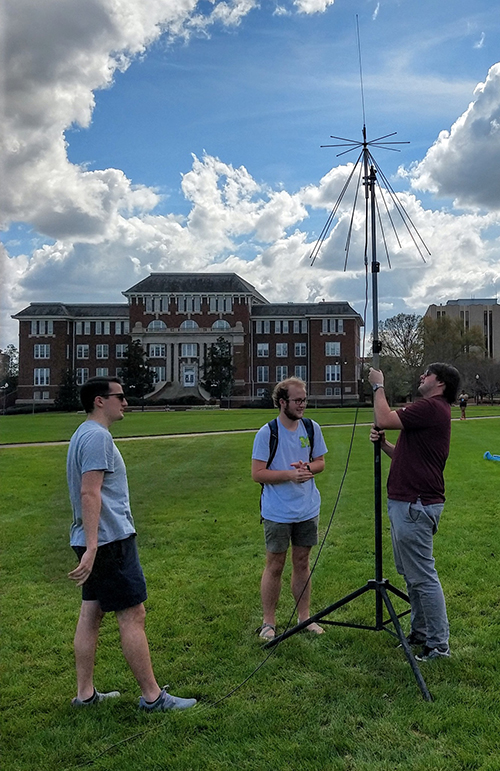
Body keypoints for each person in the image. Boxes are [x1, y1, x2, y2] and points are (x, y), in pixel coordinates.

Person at [67, 376, 196, 711]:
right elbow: (89, 491)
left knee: (92, 611)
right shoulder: (97, 437)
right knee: (133, 614)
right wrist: (95, 546)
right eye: (119, 396)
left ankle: (85, 695)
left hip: (95, 540)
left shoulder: (83, 433)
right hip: (109, 542)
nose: (125, 402)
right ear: (99, 400)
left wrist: (89, 544)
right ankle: (153, 697)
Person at [368, 362, 460, 661]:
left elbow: (383, 417)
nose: (422, 376)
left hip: (415, 504)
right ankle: (420, 633)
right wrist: (384, 445)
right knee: (411, 575)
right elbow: (408, 456)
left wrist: (378, 384)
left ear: (440, 383)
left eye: (427, 374)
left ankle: (438, 646)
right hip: (408, 503)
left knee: (422, 576)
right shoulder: (430, 410)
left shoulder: (432, 407)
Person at [251, 377, 328, 641]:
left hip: (307, 508)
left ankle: (304, 618)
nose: (302, 405)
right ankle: (268, 623)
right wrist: (288, 475)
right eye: (297, 400)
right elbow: (257, 473)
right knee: (275, 565)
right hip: (277, 511)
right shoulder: (267, 433)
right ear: (282, 402)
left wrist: (307, 469)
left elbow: (320, 462)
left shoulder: (311, 427)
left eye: (304, 400)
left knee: (302, 562)